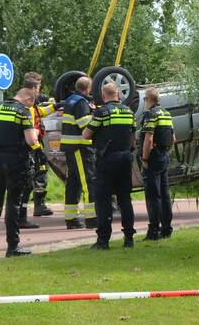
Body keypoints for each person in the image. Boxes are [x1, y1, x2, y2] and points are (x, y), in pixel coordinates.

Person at [0, 85, 38, 258]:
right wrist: (36, 133)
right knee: (13, 204)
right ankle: (13, 247)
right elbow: (31, 140)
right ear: (27, 99)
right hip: (16, 163)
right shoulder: (23, 112)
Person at [82, 82, 136, 250]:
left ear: (104, 96)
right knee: (125, 199)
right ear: (118, 94)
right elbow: (133, 136)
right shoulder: (129, 112)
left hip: (106, 160)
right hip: (125, 158)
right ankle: (129, 239)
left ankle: (103, 240)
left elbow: (86, 135)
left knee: (103, 199)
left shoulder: (101, 112)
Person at [18, 72, 56, 222]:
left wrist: (56, 106)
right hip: (31, 145)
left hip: (33, 143)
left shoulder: (30, 103)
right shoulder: (27, 105)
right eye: (39, 85)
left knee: (38, 173)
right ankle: (33, 208)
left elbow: (40, 112)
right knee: (35, 174)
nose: (40, 89)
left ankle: (37, 206)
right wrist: (38, 149)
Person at [60, 76, 96, 229]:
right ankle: (92, 219)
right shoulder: (81, 103)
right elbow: (85, 126)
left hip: (71, 148)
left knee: (73, 184)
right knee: (88, 183)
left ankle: (71, 219)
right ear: (88, 88)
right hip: (80, 148)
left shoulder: (71, 99)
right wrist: (96, 117)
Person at [139, 86, 175, 240]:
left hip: (153, 157)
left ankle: (153, 231)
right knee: (165, 194)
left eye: (145, 99)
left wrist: (145, 159)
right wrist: (166, 152)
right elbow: (173, 138)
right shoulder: (167, 114)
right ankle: (167, 229)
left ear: (148, 99)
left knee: (153, 195)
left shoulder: (150, 114)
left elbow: (149, 138)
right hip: (164, 155)